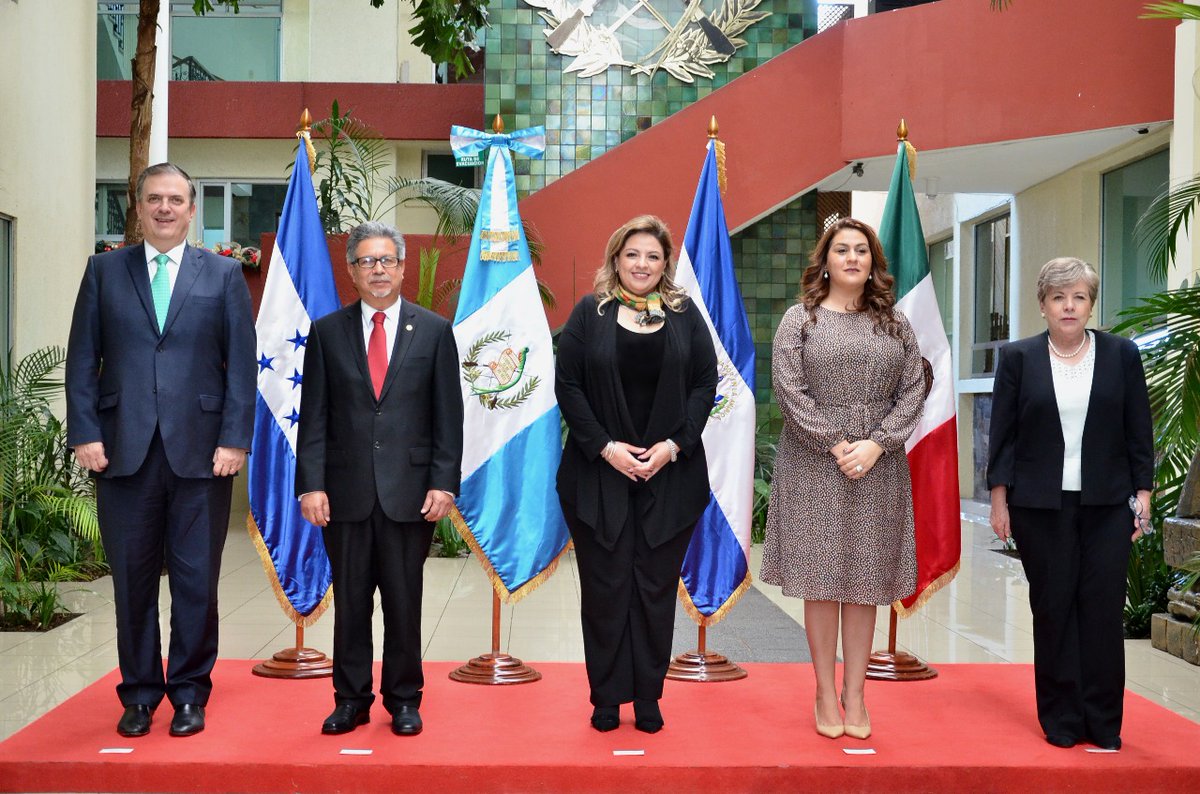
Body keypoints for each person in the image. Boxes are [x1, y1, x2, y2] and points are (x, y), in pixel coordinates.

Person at [65, 162, 256, 738]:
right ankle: (140, 694)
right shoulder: (103, 271)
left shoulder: (222, 277)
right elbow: (81, 360)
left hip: (202, 456)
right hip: (121, 453)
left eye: (176, 200)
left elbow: (241, 368)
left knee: (198, 580)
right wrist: (85, 432)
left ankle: (191, 693)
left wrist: (234, 439)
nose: (166, 209)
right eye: (155, 199)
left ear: (192, 210)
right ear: (139, 206)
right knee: (132, 580)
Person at [760, 217, 925, 741]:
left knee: (864, 583)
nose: (852, 258)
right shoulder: (799, 319)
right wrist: (837, 444)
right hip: (813, 464)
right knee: (822, 580)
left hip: (879, 466)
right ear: (825, 260)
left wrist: (876, 444)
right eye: (842, 250)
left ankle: (856, 693)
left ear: (874, 263)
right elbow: (789, 391)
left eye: (862, 251)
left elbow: (915, 389)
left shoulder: (895, 323)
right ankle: (824, 692)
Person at [296, 221, 462, 737]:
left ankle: (404, 699)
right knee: (350, 605)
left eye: (387, 260)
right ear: (351, 270)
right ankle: (350, 700)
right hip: (343, 495)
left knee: (403, 602)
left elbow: (447, 417)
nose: (378, 270)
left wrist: (443, 481)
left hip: (410, 495)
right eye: (367, 261)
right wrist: (311, 484)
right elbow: (315, 417)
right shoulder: (326, 332)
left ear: (403, 266)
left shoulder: (433, 330)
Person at [555, 215, 717, 734]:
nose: (642, 265)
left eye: (652, 256)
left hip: (670, 477)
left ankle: (647, 695)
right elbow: (570, 387)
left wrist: (673, 446)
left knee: (652, 589)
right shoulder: (589, 313)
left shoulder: (686, 315)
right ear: (615, 259)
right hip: (597, 478)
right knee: (605, 590)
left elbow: (703, 385)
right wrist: (606, 449)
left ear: (665, 263)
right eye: (632, 255)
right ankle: (605, 697)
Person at [987, 257, 1152, 751]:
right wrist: (1000, 500)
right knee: (1054, 609)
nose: (1069, 306)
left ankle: (1103, 721)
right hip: (1041, 506)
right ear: (1042, 305)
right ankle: (1061, 718)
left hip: (1108, 504)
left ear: (1090, 305)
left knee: (1101, 611)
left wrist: (1142, 495)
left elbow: (1137, 429)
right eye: (1059, 297)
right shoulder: (1019, 358)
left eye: (1079, 297)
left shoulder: (1121, 355)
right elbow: (1004, 436)